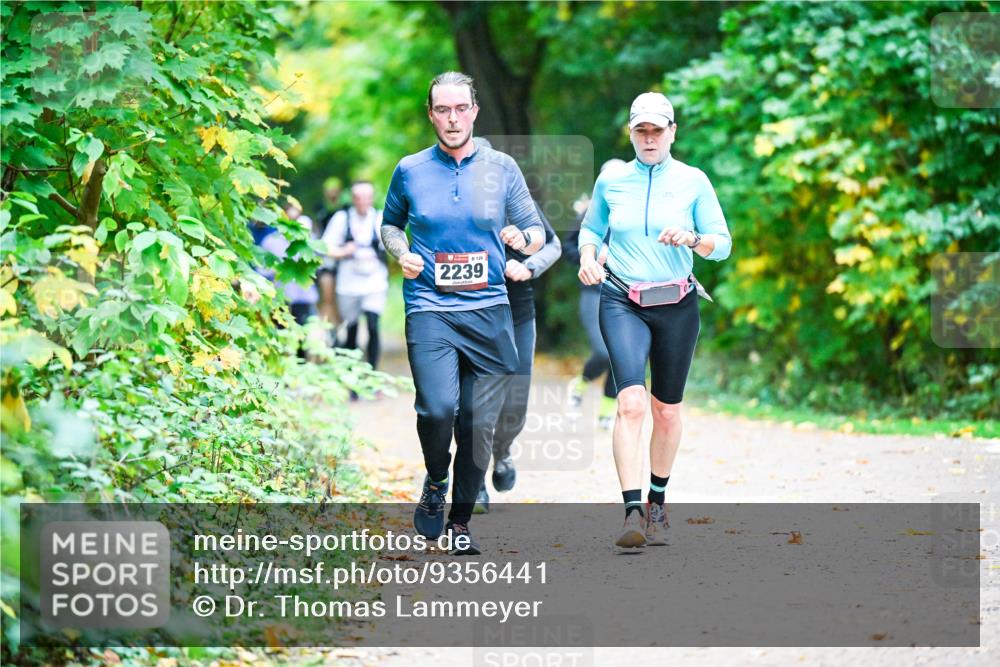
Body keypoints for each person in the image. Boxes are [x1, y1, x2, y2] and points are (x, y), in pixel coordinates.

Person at [381, 71, 544, 555]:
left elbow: (535, 229)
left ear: (474, 112)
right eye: (442, 110)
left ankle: (459, 522)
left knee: (477, 422)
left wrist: (524, 240)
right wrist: (399, 252)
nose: (452, 119)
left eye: (460, 109)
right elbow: (390, 226)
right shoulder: (410, 169)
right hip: (430, 305)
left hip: (489, 308)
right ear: (431, 114)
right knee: (437, 408)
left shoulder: (502, 168)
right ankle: (435, 477)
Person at [577, 92, 732, 549]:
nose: (649, 138)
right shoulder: (612, 181)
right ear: (630, 132)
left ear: (672, 133)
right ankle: (632, 512)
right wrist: (588, 256)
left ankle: (658, 500)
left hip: (677, 305)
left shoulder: (693, 181)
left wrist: (694, 238)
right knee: (631, 405)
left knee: (666, 411)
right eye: (641, 130)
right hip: (622, 299)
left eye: (657, 130)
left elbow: (722, 244)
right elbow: (590, 229)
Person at [462, 138, 562, 513]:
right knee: (473, 403)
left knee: (514, 402)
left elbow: (551, 244)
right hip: (467, 313)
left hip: (517, 313)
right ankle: (474, 483)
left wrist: (528, 265)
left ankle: (502, 452)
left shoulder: (517, 201)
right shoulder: (450, 204)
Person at [563, 159, 628, 430]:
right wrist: (588, 258)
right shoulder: (589, 213)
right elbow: (566, 246)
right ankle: (580, 384)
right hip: (593, 290)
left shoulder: (633, 212)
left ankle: (606, 412)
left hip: (625, 293)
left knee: (621, 352)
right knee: (603, 351)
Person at [322, 181, 388, 371]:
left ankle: (373, 373)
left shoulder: (380, 218)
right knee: (352, 330)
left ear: (372, 198)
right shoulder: (341, 219)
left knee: (373, 326)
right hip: (348, 284)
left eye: (367, 197)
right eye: (358, 197)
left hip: (375, 282)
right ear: (352, 199)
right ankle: (353, 378)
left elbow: (394, 245)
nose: (362, 201)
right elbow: (325, 247)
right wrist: (343, 252)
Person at [257, 202, 320, 358]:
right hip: (281, 297)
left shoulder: (307, 240)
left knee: (302, 336)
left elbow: (317, 264)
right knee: (281, 335)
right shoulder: (270, 242)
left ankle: (301, 370)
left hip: (303, 296)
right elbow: (262, 270)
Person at [315, 177, 346, 334]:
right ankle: (325, 333)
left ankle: (338, 330)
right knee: (327, 298)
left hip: (343, 259)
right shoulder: (320, 208)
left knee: (339, 300)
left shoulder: (345, 209)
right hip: (326, 258)